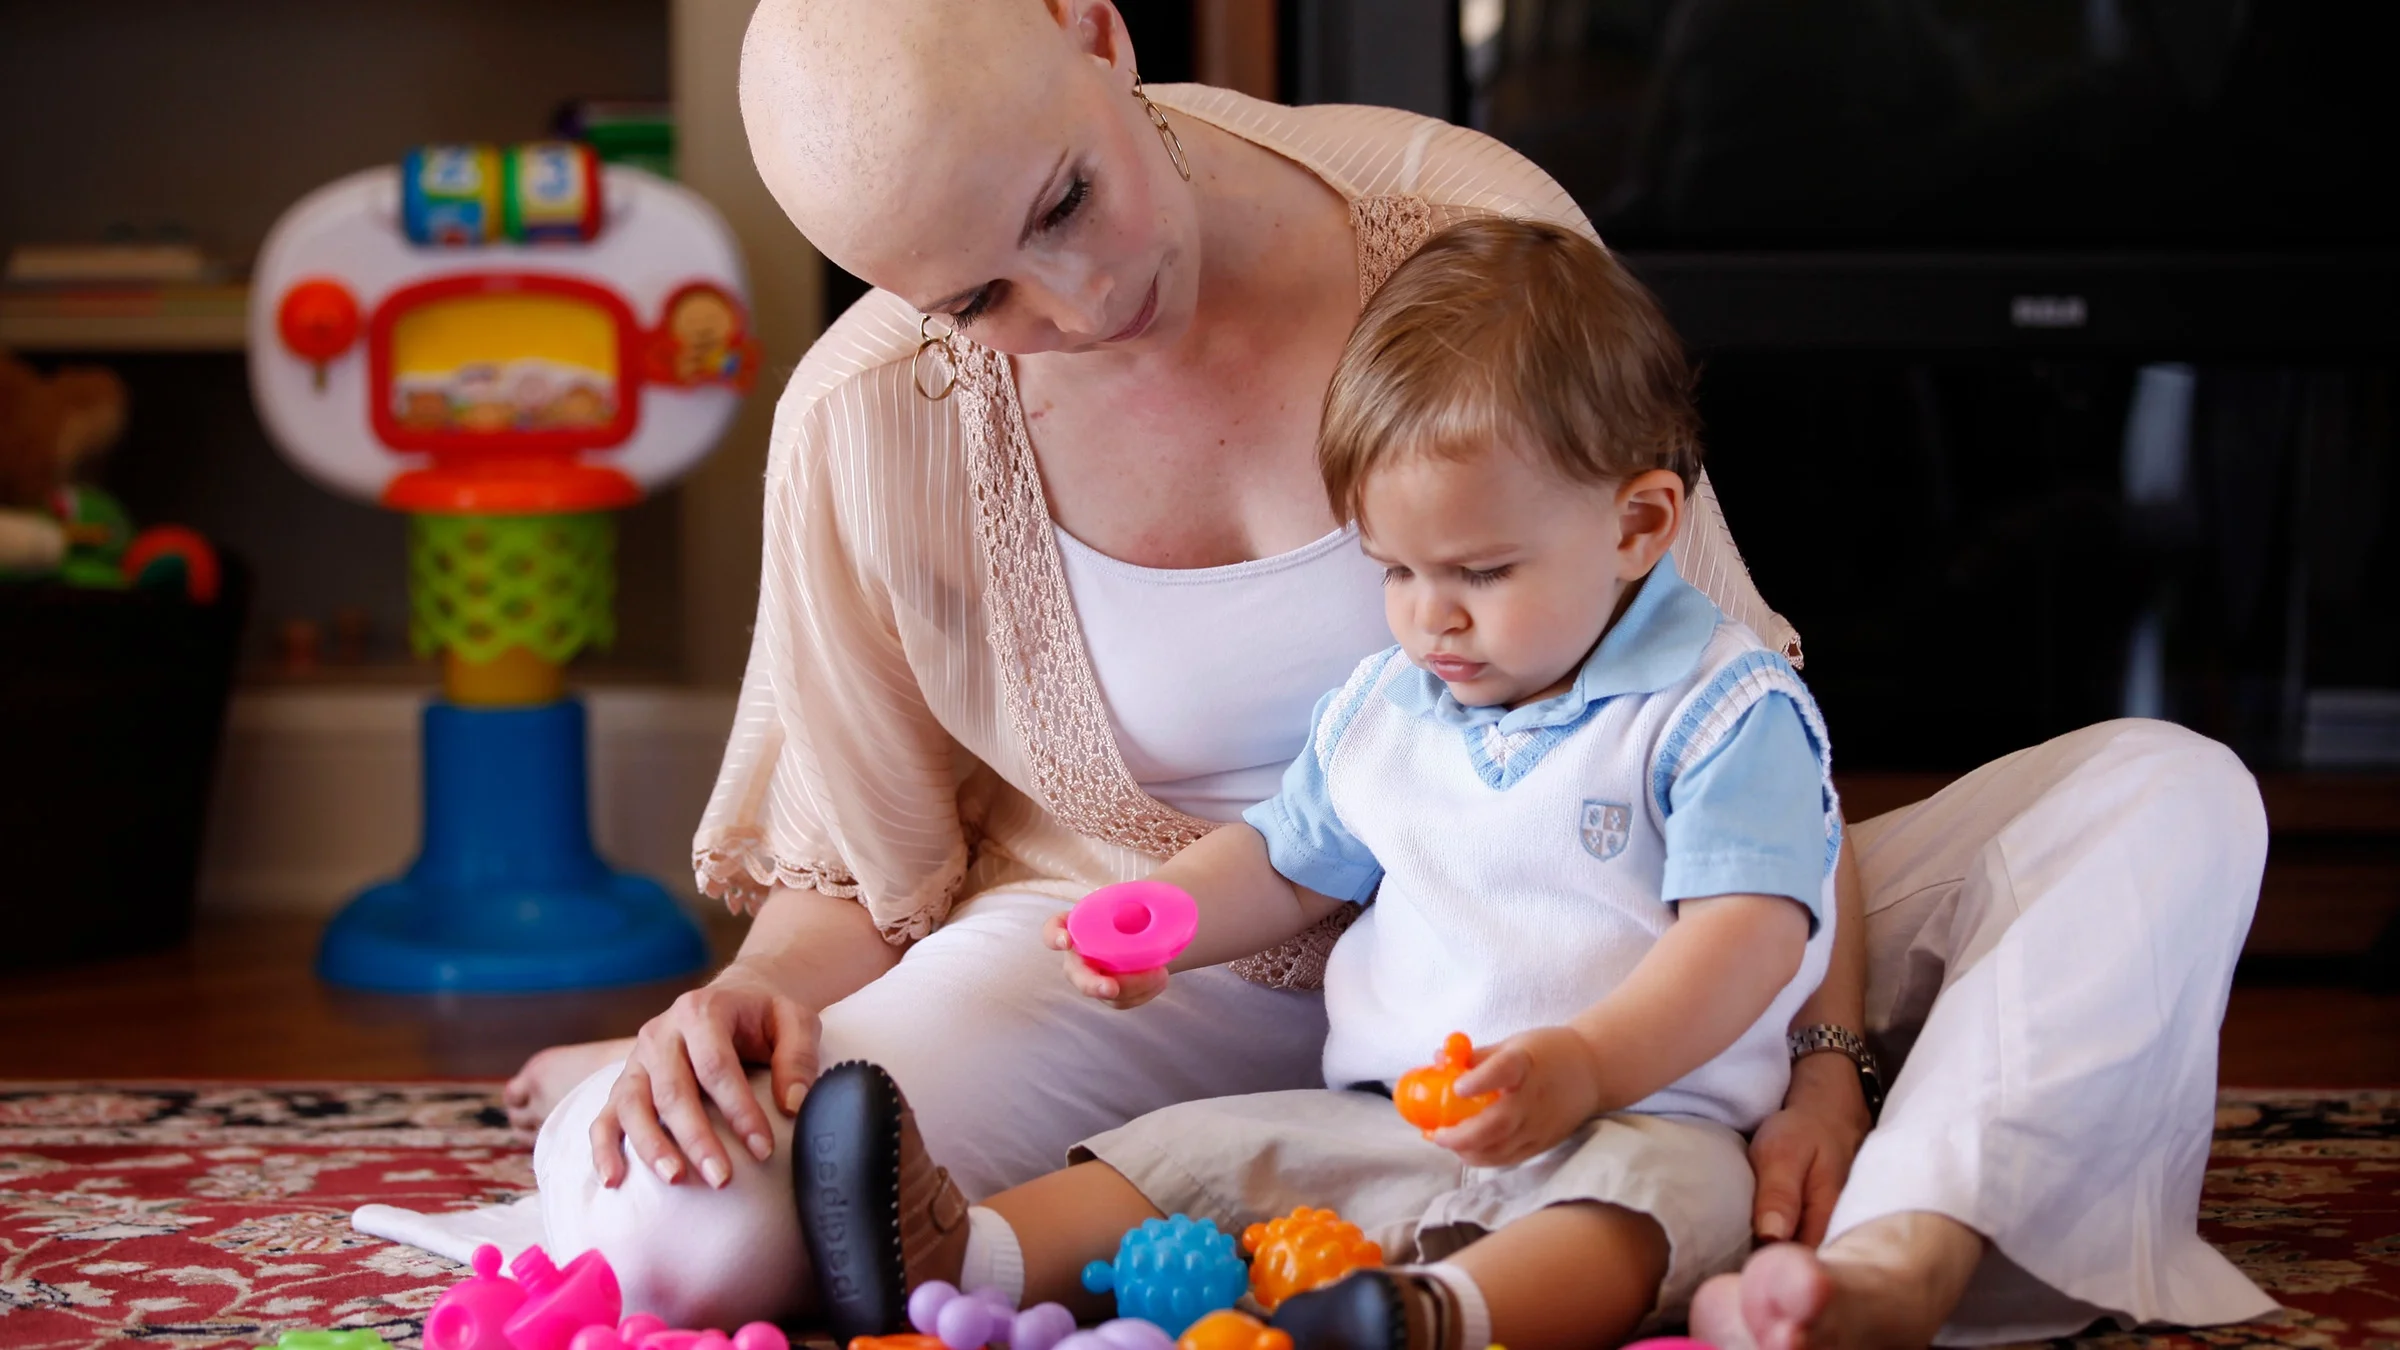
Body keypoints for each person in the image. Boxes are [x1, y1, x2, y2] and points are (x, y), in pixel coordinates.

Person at [375, 0, 2273, 1343]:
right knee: (666, 1235)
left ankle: (1886, 1262)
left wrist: (1823, 1067)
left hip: (1642, 946)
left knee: (2168, 797)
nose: (1078, 306)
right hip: (1164, 984)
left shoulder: (1464, 232)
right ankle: (1087, 1234)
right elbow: (840, 877)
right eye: (973, 300)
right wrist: (746, 1013)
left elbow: (1747, 729)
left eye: (1061, 208)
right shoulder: (867, 417)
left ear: (1092, 26)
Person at [791, 214, 1844, 1350]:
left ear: (1638, 525)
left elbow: (1748, 933)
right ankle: (964, 1258)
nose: (1429, 615)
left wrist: (1587, 1066)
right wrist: (1167, 920)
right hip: (1385, 1116)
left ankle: (1437, 1321)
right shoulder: (1392, 705)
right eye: (1393, 569)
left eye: (1481, 573)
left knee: (1657, 1213)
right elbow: (1288, 862)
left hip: (1643, 1114)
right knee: (1193, 1152)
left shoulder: (1718, 709)